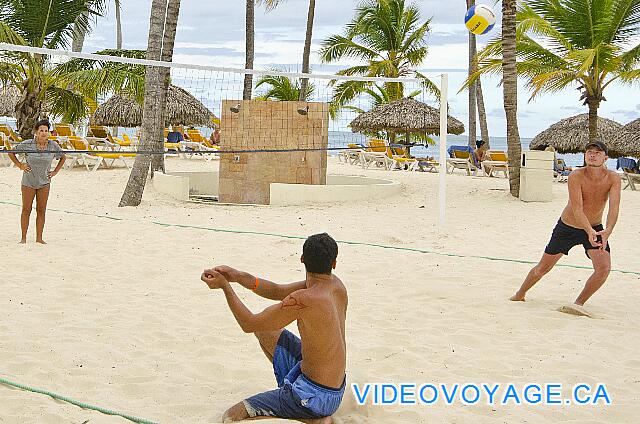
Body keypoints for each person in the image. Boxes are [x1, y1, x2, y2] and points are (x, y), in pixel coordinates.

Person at [200, 233, 347, 423]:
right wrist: (237, 276)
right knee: (265, 330)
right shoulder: (336, 286)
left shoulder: (305, 299)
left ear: (302, 259)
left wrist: (225, 287)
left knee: (232, 415)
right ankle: (298, 406)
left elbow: (248, 323)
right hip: (335, 390)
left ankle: (311, 419)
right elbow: (277, 290)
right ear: (334, 263)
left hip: (312, 397)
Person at [510, 141, 621, 313]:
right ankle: (520, 293)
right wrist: (589, 230)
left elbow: (614, 208)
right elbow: (577, 209)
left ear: (605, 157)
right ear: (585, 155)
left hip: (595, 227)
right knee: (543, 268)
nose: (592, 155)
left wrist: (607, 231)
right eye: (589, 152)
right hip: (568, 227)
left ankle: (578, 304)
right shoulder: (576, 176)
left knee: (604, 268)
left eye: (597, 153)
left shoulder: (613, 178)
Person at [8, 119, 66, 244]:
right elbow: (11, 152)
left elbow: (63, 157)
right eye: (41, 131)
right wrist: (20, 165)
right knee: (26, 209)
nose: (44, 133)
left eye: (46, 131)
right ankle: (23, 238)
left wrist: (55, 172)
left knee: (41, 210)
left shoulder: (52, 145)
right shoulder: (28, 144)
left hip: (44, 182)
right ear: (36, 132)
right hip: (28, 181)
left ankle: (39, 238)